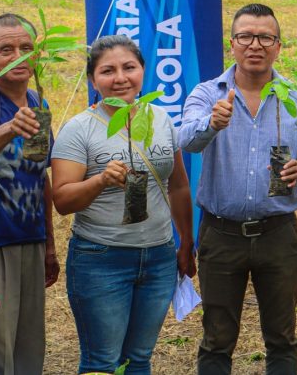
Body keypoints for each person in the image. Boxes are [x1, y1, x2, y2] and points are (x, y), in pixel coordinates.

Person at [180, 3, 297, 374]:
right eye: (246, 36)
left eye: (265, 37)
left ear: (278, 45)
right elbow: (186, 140)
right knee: (216, 339)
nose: (255, 45)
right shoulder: (207, 93)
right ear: (233, 43)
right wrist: (212, 124)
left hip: (277, 234)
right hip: (221, 232)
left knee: (282, 337)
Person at [50, 35, 195, 375]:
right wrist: (100, 180)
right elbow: (63, 200)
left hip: (158, 257)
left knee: (139, 359)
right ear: (92, 80)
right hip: (101, 260)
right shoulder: (79, 129)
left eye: (129, 67)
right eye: (107, 71)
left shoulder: (160, 119)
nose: (120, 78)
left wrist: (186, 240)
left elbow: (178, 186)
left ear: (143, 71)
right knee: (102, 362)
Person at [0, 13, 59, 374]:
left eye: (26, 48)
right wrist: (6, 129)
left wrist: (48, 243)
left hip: (29, 241)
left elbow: (39, 176)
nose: (18, 56)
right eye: (6, 49)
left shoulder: (38, 103)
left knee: (28, 346)